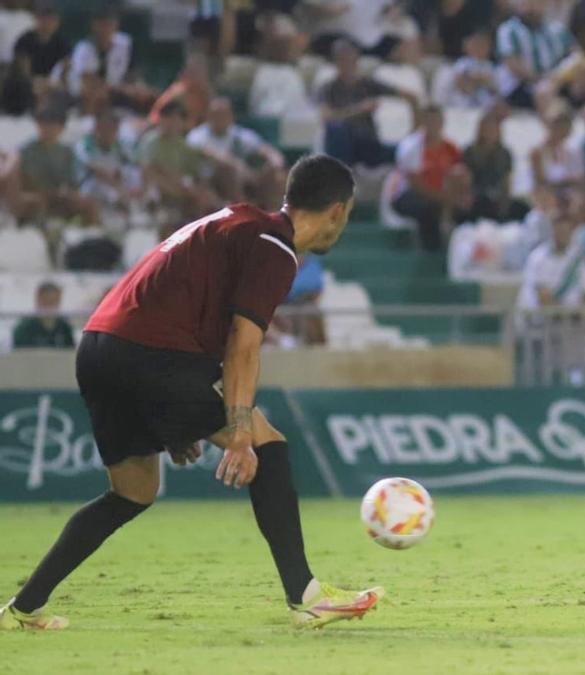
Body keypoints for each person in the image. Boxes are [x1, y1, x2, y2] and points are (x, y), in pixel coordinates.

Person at [0, 155, 384, 632]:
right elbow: (243, 345)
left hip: (100, 347)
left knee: (132, 492)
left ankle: (22, 606)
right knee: (267, 440)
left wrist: (173, 419)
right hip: (152, 351)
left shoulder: (236, 220)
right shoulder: (275, 248)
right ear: (338, 211)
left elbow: (183, 297)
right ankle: (306, 595)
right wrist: (240, 433)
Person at [318, 40, 419, 168]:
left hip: (368, 142)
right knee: (336, 129)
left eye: (351, 60)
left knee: (403, 152)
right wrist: (360, 110)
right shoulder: (328, 88)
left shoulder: (367, 84)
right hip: (344, 142)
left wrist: (414, 130)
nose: (348, 64)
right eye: (343, 60)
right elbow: (327, 117)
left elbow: (411, 98)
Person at [495, 0, 585, 115]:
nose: (533, 8)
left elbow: (576, 53)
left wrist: (567, 74)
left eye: (537, 3)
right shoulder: (509, 30)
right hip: (524, 86)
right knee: (544, 90)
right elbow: (512, 64)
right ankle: (551, 130)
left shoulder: (556, 28)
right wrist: (541, 78)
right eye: (528, 3)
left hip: (557, 79)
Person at [390, 105, 469, 251]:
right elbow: (415, 184)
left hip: (442, 194)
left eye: (436, 121)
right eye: (429, 121)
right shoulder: (411, 147)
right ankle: (431, 251)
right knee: (429, 209)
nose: (433, 125)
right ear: (423, 122)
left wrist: (459, 197)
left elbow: (460, 175)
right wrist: (445, 199)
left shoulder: (450, 147)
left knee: (468, 207)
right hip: (408, 194)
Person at [187, 97, 287, 209]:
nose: (220, 119)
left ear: (231, 116)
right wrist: (239, 167)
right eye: (216, 115)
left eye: (224, 115)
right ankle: (239, 210)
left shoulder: (238, 134)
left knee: (275, 175)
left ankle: (275, 214)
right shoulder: (198, 136)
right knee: (228, 171)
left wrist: (275, 162)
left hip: (245, 177)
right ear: (208, 116)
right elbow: (212, 155)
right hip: (211, 181)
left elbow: (264, 149)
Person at [14, 104, 99, 225]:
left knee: (87, 203)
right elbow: (27, 180)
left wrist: (68, 193)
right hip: (36, 195)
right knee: (39, 201)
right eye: (43, 124)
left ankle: (90, 236)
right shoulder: (27, 151)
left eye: (52, 125)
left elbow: (71, 181)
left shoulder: (66, 152)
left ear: (61, 127)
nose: (47, 129)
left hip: (59, 195)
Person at [139, 99, 222, 221]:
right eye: (169, 118)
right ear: (161, 119)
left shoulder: (181, 144)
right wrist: (179, 188)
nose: (172, 123)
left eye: (177, 119)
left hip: (179, 188)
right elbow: (148, 171)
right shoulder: (152, 141)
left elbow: (196, 163)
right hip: (157, 189)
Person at [75, 107, 143, 217]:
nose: (109, 133)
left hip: (115, 182)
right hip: (90, 184)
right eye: (105, 128)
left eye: (113, 129)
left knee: (135, 174)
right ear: (97, 127)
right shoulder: (85, 144)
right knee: (109, 191)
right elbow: (96, 171)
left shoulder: (119, 145)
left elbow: (132, 163)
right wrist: (120, 189)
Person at [11, 281, 75, 350]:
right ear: (38, 299)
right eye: (46, 301)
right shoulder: (23, 328)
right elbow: (19, 355)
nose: (50, 306)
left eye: (54, 301)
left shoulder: (64, 327)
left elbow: (70, 353)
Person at [531, 110, 584, 191]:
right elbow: (540, 182)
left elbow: (578, 178)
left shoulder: (567, 152)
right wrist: (566, 181)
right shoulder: (537, 152)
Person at [448, 30, 500, 108]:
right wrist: (479, 79)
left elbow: (494, 87)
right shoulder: (462, 63)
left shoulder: (491, 66)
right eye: (476, 45)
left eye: (483, 45)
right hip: (463, 105)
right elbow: (458, 82)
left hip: (485, 106)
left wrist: (477, 79)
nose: (479, 48)